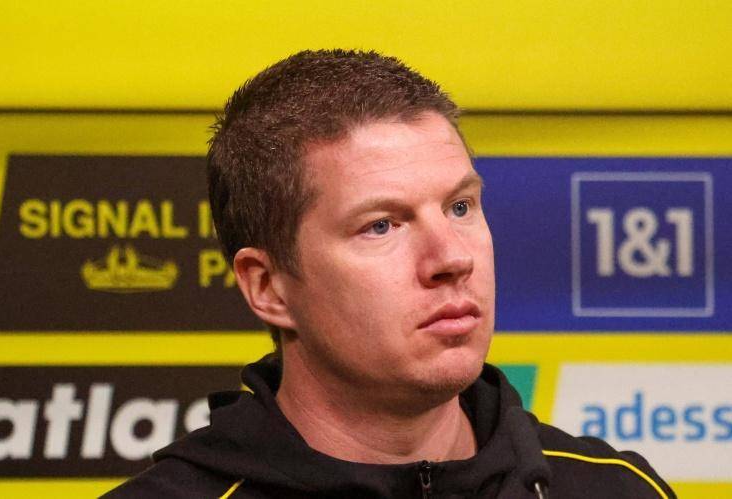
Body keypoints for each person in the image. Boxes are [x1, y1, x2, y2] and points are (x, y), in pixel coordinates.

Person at [105, 49, 675, 498]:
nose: (452, 258)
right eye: (381, 225)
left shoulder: (616, 488)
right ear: (267, 286)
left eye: (460, 207)